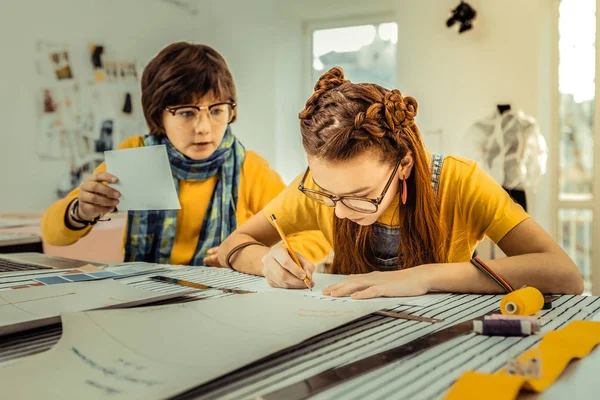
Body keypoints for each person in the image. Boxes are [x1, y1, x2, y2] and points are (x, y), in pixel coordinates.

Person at [218, 66, 583, 299]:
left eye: (361, 196)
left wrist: (424, 277)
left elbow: (564, 274)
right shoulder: (317, 188)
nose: (341, 213)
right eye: (330, 195)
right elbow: (236, 243)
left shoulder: (461, 181)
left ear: (404, 164)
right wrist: (268, 260)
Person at [41, 42, 330, 266]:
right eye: (186, 113)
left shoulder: (248, 168)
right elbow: (53, 233)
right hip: (143, 299)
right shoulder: (137, 154)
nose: (204, 128)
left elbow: (317, 231)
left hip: (225, 300)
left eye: (216, 110)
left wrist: (269, 257)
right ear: (158, 116)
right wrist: (80, 211)